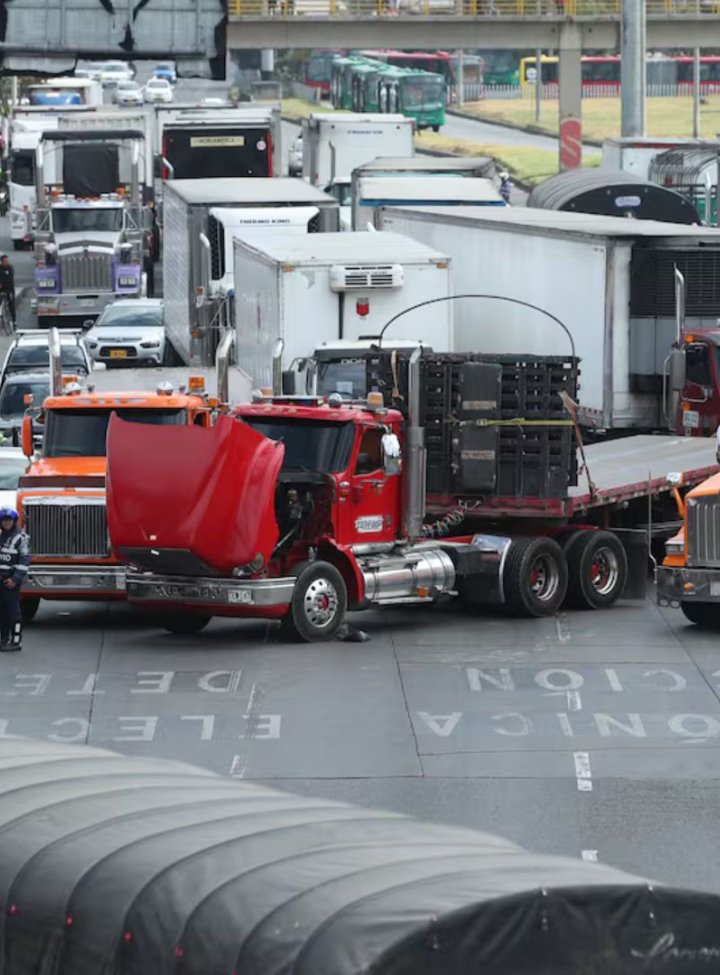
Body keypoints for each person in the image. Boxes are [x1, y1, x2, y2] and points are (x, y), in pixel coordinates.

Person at [0, 508, 29, 651]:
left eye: (9, 521)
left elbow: (24, 562)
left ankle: (16, 641)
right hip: (0, 582)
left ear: (14, 521)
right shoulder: (0, 537)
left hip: (11, 582)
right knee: (2, 613)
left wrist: (15, 579)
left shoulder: (21, 538)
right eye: (4, 521)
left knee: (14, 612)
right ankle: (3, 639)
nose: (6, 523)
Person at [0, 255, 15, 326]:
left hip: (9, 289)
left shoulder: (10, 268)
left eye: (7, 261)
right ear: (1, 262)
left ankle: (14, 321)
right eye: (5, 261)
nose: (7, 262)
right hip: (1, 289)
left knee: (11, 304)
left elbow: (10, 278)